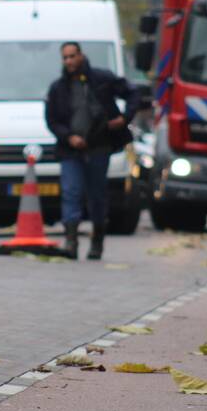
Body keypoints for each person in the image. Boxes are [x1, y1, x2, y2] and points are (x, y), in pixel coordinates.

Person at [45, 41, 139, 260]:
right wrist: (69, 136)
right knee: (71, 192)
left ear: (81, 56)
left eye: (72, 56)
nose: (68, 61)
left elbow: (132, 93)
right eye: (65, 57)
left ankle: (97, 239)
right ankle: (71, 242)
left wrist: (124, 118)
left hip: (99, 146)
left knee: (97, 195)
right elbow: (52, 119)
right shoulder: (58, 88)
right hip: (71, 150)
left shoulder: (102, 79)